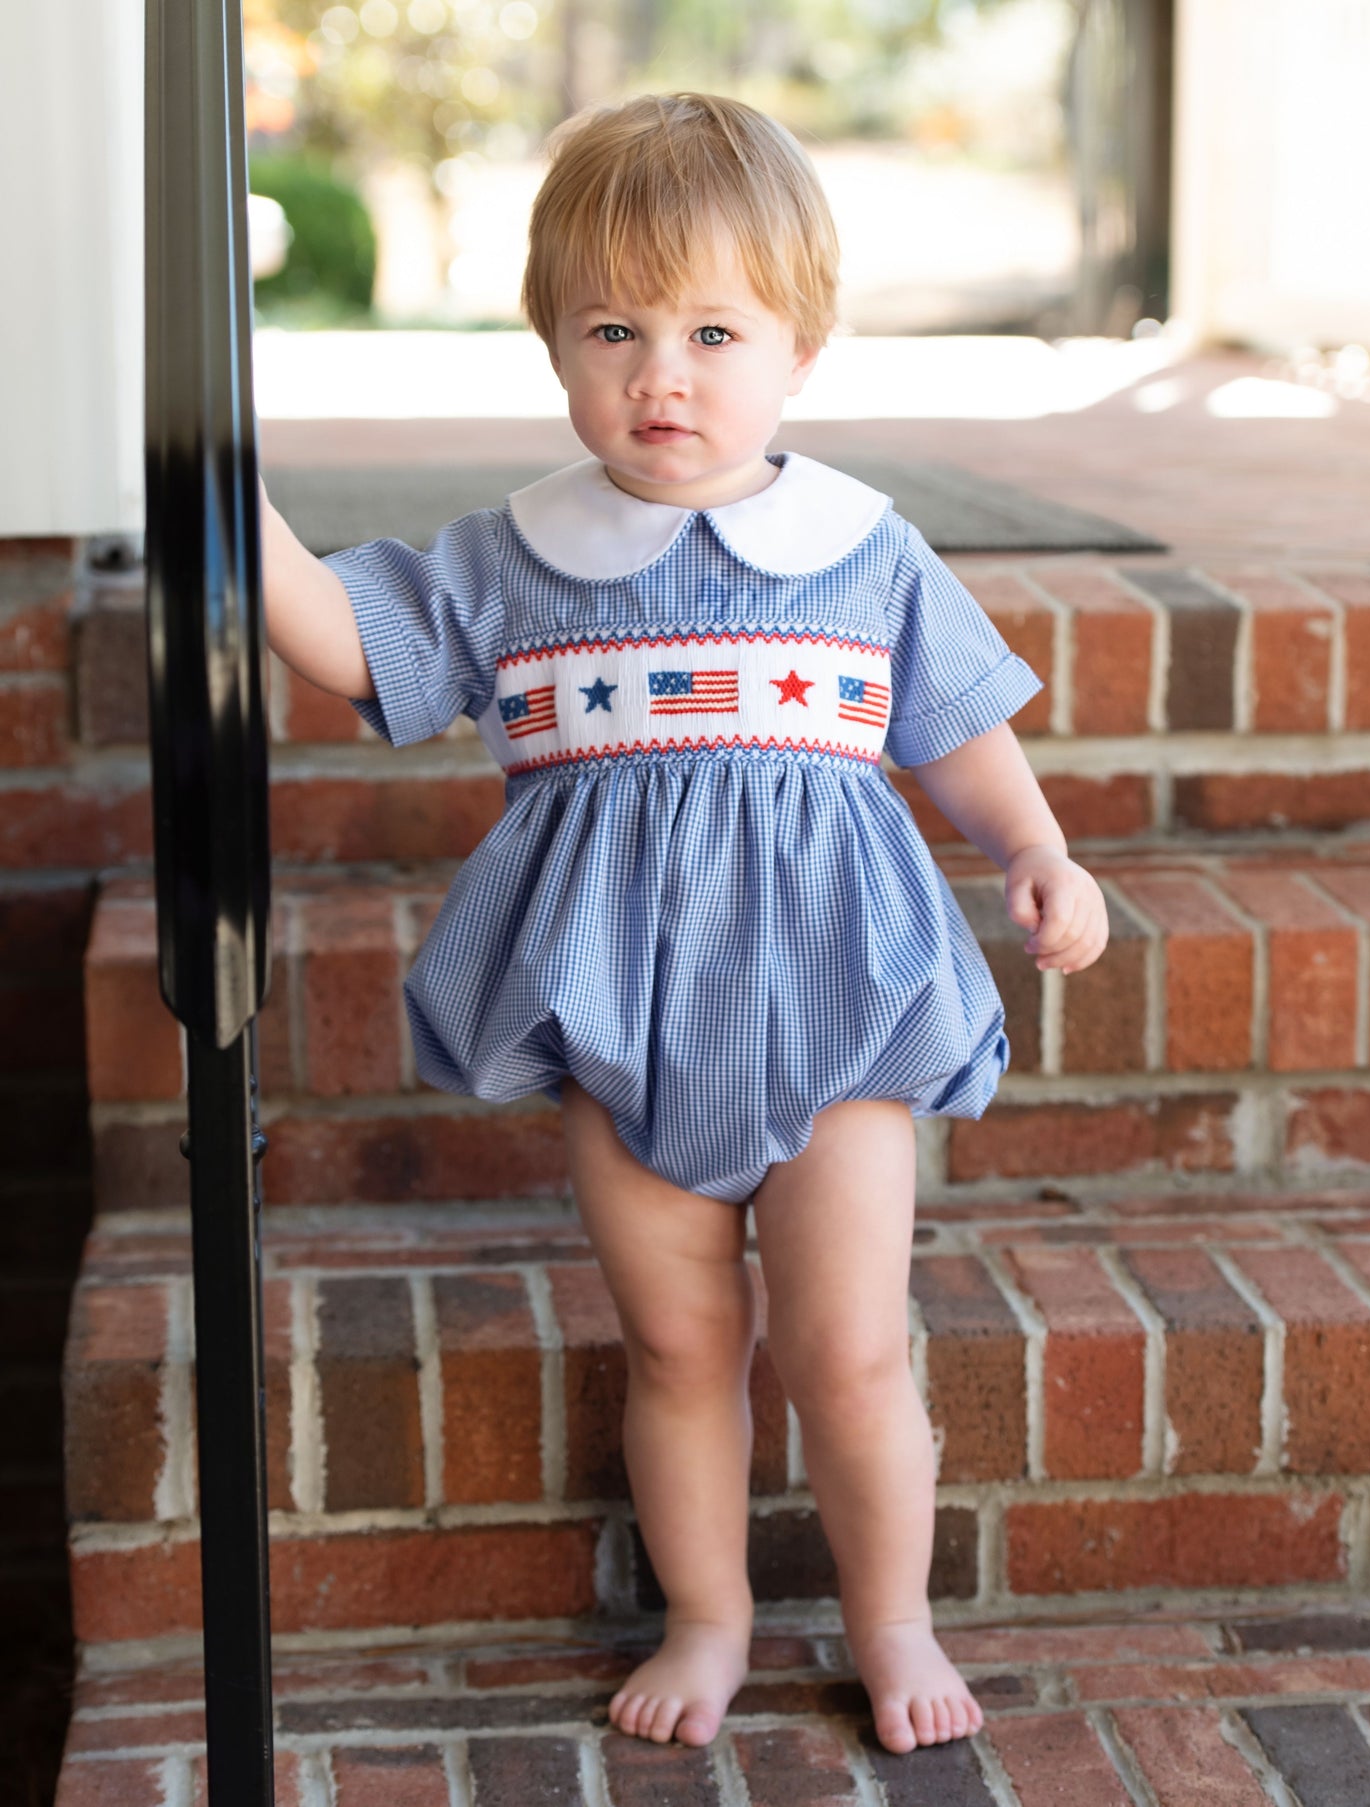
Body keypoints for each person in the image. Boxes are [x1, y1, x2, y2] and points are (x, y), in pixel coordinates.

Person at [258, 90, 1109, 1756]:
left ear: (801, 349)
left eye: (714, 330)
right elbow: (354, 646)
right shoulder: (517, 562)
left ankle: (890, 1618)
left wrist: (1033, 849)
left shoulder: (859, 550)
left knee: (846, 1346)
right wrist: (245, 519)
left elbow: (952, 729)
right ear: (552, 350)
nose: (662, 372)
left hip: (837, 1012)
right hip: (621, 1018)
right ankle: (708, 1613)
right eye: (614, 329)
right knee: (674, 1339)